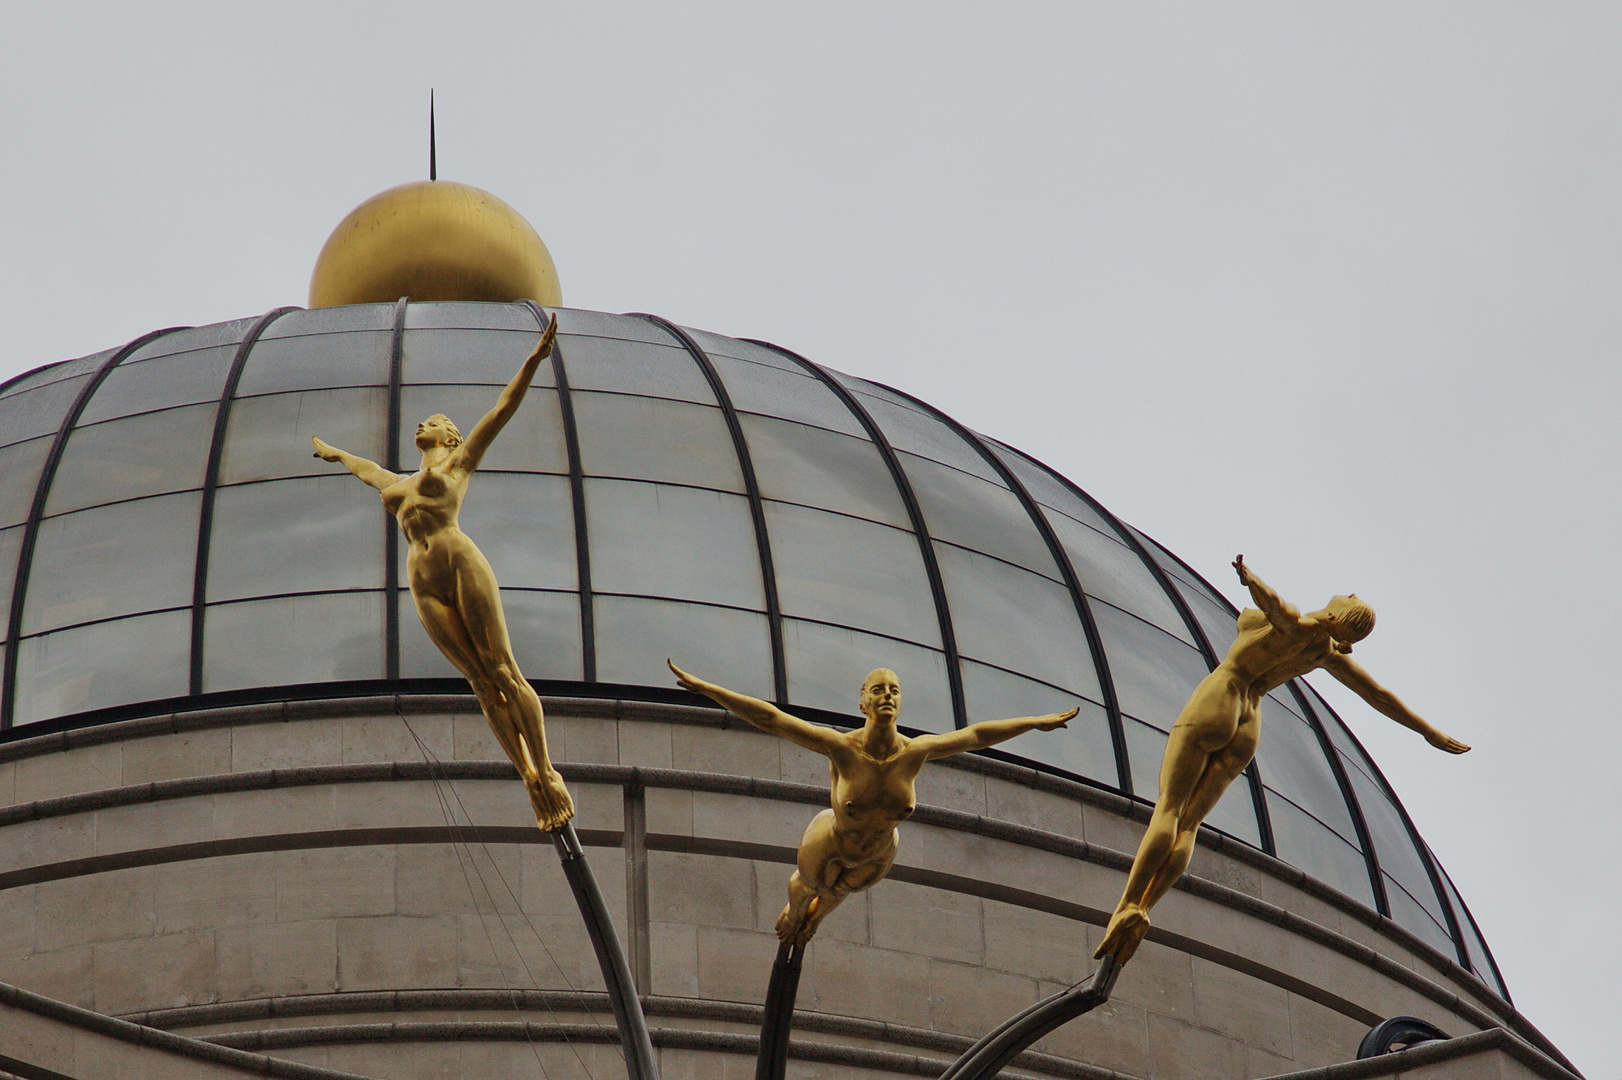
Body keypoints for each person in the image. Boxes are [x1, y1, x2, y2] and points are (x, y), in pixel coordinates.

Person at [1095, 555, 1470, 965]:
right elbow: (1377, 695)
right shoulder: (1327, 654)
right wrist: (1427, 731)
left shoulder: (1307, 628)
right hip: (1250, 720)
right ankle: (1147, 906)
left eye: (1349, 598)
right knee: (1191, 823)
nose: (1348, 591)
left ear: (1337, 613)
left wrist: (1249, 578)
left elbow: (1278, 609)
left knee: (1168, 808)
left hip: (1223, 695)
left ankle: (1128, 904)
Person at [312, 314, 573, 831]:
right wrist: (338, 453)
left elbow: (502, 410)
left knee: (501, 668)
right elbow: (370, 472)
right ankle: (526, 774)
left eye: (430, 422)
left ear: (449, 436)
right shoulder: (401, 484)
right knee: (477, 680)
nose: (420, 426)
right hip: (421, 572)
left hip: (457, 559)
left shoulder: (456, 466)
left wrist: (533, 361)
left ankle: (546, 767)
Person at [668, 660, 1077, 945]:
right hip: (832, 837)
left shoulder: (916, 752)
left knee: (836, 892)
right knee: (808, 886)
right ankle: (795, 914)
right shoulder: (840, 747)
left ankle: (813, 920)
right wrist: (709, 689)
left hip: (880, 850)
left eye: (894, 691)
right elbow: (773, 720)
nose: (887, 696)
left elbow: (976, 736)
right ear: (862, 702)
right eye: (878, 690)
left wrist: (1035, 723)